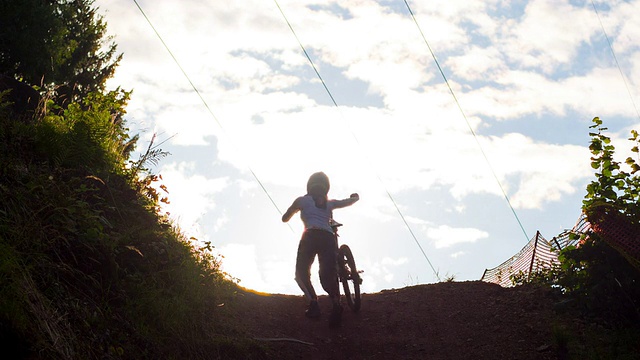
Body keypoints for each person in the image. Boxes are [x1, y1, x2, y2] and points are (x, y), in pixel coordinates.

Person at [282, 172, 359, 327]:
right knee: (327, 273)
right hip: (328, 238)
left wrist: (291, 213)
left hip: (309, 236)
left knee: (301, 273)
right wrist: (355, 197)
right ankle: (336, 304)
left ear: (309, 186)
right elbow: (347, 202)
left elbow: (285, 218)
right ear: (326, 188)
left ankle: (313, 304)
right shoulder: (329, 203)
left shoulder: (302, 200)